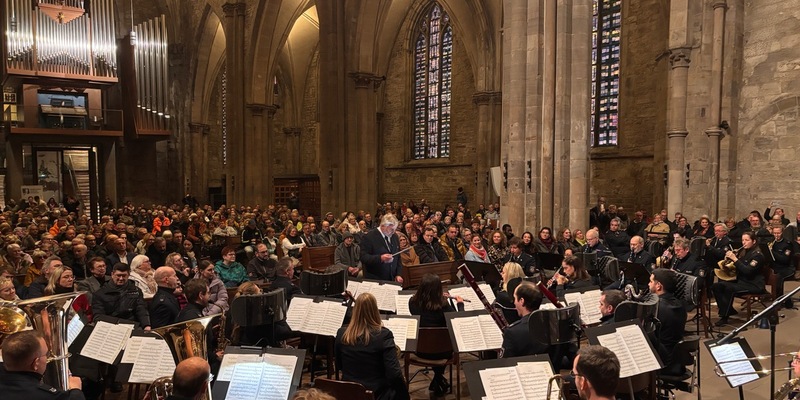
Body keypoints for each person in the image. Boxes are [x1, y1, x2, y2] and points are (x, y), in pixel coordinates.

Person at [334, 292, 408, 400]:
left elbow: (339, 365)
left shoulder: (342, 334)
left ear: (355, 311)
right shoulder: (383, 335)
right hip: (377, 395)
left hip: (349, 394)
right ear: (375, 310)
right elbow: (394, 374)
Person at [408, 274, 464, 395]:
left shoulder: (412, 303)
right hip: (443, 352)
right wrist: (459, 303)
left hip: (420, 349)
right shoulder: (444, 307)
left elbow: (425, 307)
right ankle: (439, 378)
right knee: (442, 342)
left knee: (435, 342)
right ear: (439, 290)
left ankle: (438, 379)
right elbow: (458, 321)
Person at [0, 330, 85, 400]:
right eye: (46, 354)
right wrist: (76, 390)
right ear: (36, 363)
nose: (48, 358)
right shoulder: (48, 396)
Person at [712, 231, 767, 326]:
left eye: (747, 240)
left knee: (729, 288)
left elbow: (747, 271)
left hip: (754, 284)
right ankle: (729, 310)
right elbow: (737, 267)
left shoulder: (757, 255)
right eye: (742, 240)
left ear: (754, 241)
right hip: (742, 281)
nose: (744, 242)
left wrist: (735, 259)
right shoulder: (743, 252)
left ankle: (724, 316)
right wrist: (729, 259)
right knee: (716, 286)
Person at [648, 269, 687, 373]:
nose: (648, 284)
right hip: (678, 359)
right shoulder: (680, 305)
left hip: (662, 361)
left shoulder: (656, 308)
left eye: (651, 281)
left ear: (658, 286)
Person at [92, 263, 151, 330]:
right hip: (110, 327)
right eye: (118, 275)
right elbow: (98, 316)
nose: (121, 278)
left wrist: (146, 325)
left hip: (133, 326)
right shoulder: (99, 294)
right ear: (112, 274)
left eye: (124, 276)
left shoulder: (137, 290)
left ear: (128, 275)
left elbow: (141, 309)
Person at [502, 281, 548, 358]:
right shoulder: (553, 324)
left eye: (515, 298)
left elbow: (505, 363)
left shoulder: (512, 332)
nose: (514, 302)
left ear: (522, 301)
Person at [360, 214, 403, 283]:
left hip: (392, 279)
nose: (393, 232)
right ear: (383, 226)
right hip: (376, 279)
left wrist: (398, 274)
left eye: (394, 229)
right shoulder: (369, 237)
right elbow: (363, 257)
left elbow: (398, 257)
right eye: (392, 229)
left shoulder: (394, 236)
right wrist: (380, 258)